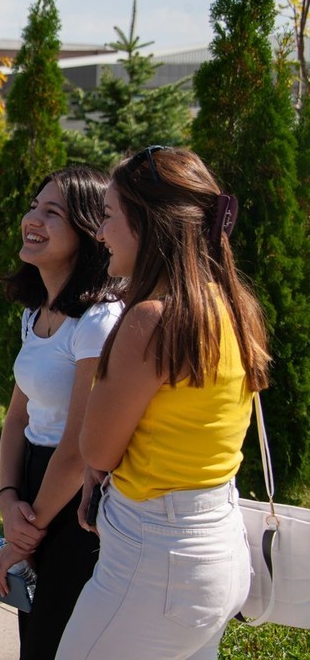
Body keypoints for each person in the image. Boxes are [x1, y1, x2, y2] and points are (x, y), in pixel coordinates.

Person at [56, 147, 270, 659]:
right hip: (219, 544)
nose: (100, 233)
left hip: (158, 557)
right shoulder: (234, 305)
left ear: (148, 224)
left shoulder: (151, 320)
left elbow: (97, 450)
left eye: (109, 215)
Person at [0, 167, 123, 660]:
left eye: (52, 212)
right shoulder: (35, 314)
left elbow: (80, 444)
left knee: (54, 643)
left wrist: (28, 533)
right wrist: (8, 498)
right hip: (33, 484)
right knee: (34, 639)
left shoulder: (99, 320)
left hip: (76, 501)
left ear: (88, 230)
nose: (33, 219)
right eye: (33, 207)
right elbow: (16, 418)